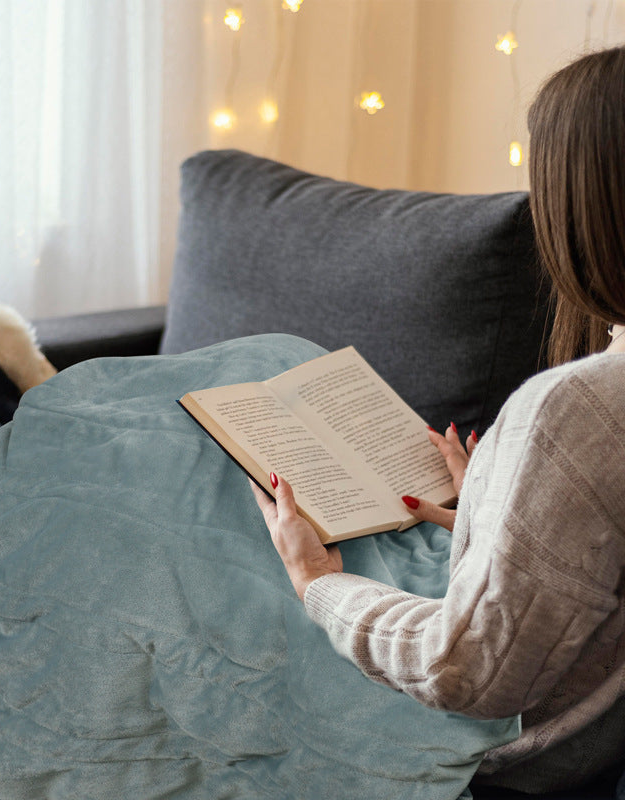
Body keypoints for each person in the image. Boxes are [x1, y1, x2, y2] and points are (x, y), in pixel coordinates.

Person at [252, 45, 625, 795]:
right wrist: (498, 500)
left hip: (505, 755)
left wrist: (317, 582)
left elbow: (466, 672)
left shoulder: (578, 408)